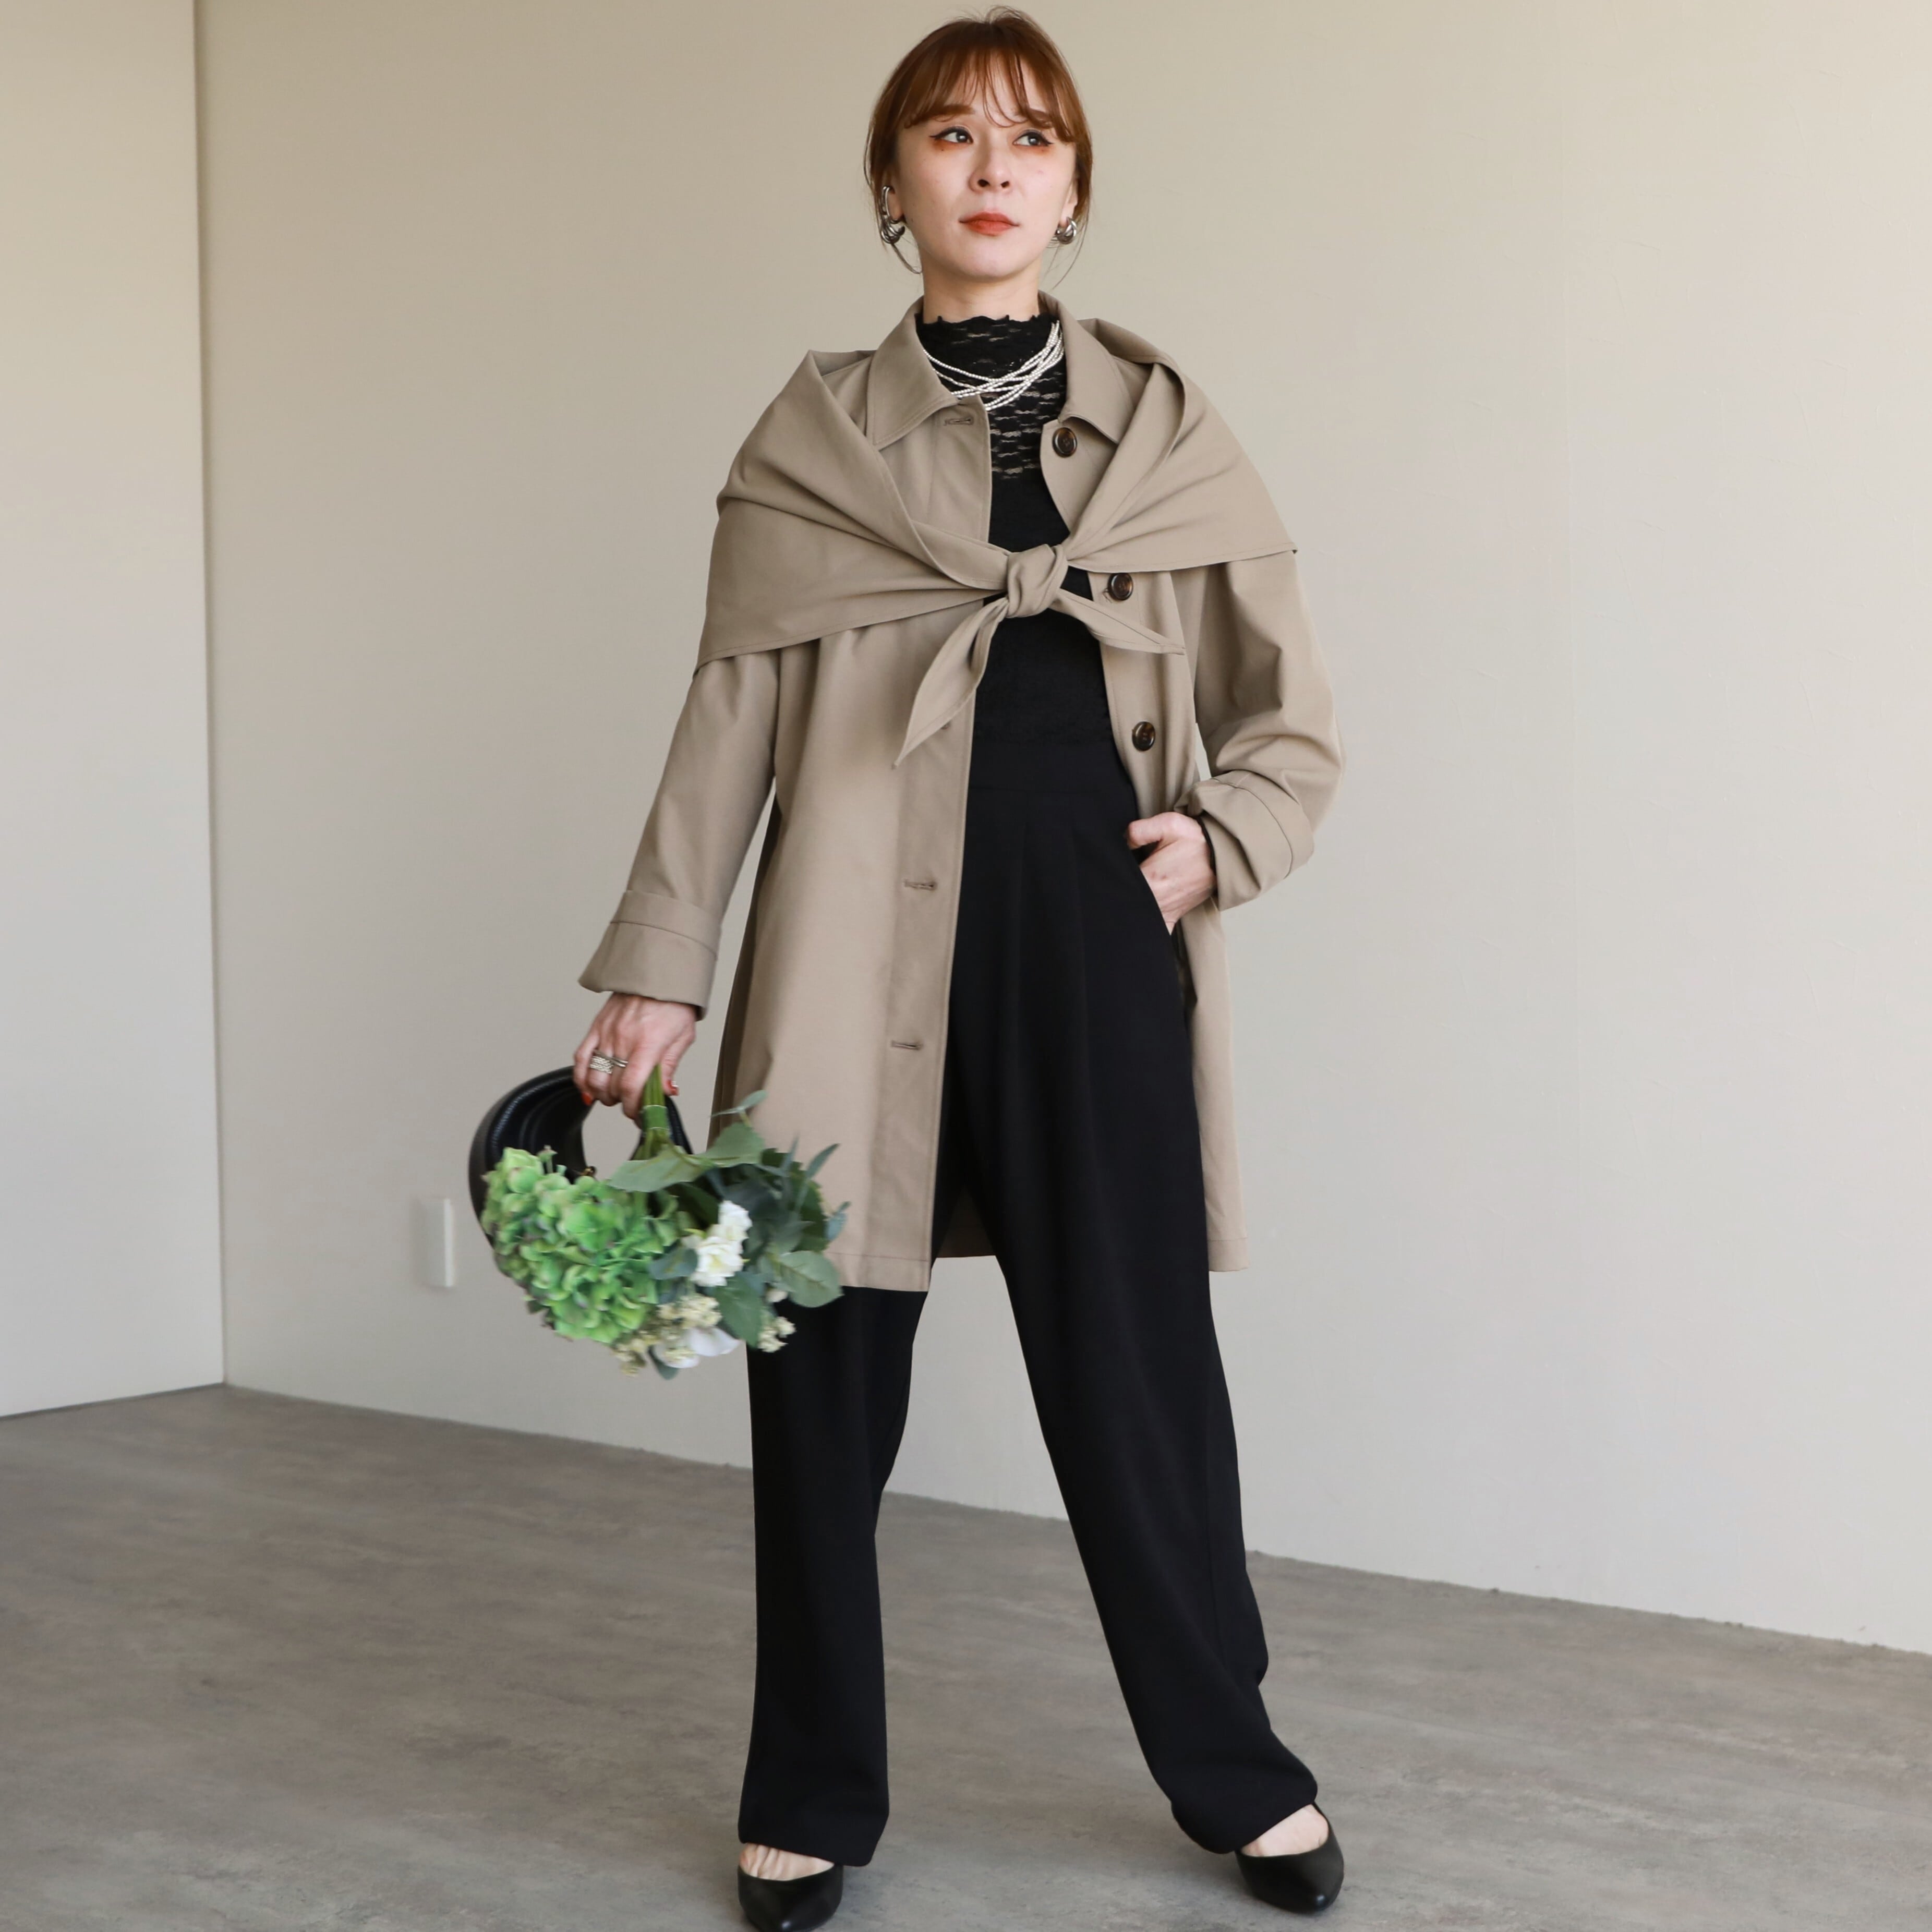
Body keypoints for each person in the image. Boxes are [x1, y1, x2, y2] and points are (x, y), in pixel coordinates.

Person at [572, 11, 1345, 1926]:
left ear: (1075, 190)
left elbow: (1290, 723)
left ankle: (1238, 1773)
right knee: (820, 1377)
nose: (992, 169)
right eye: (950, 135)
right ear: (891, 181)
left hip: (1097, 942)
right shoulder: (813, 442)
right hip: (846, 952)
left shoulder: (1169, 436)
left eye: (1031, 139)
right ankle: (808, 1790)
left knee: (1142, 1375)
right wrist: (662, 965)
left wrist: (1222, 838)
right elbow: (725, 722)